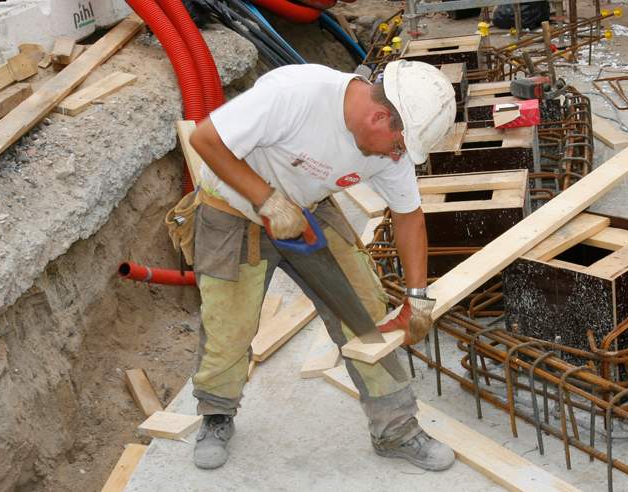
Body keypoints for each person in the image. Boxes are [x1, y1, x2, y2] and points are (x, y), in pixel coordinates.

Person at [184, 60, 457, 471]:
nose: (398, 156)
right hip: (233, 212)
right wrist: (267, 200)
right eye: (398, 145)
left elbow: (408, 215)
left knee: (365, 314)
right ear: (380, 115)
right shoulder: (297, 95)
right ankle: (217, 413)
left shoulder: (391, 147)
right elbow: (204, 138)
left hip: (306, 212)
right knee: (229, 327)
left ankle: (396, 429)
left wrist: (417, 297)